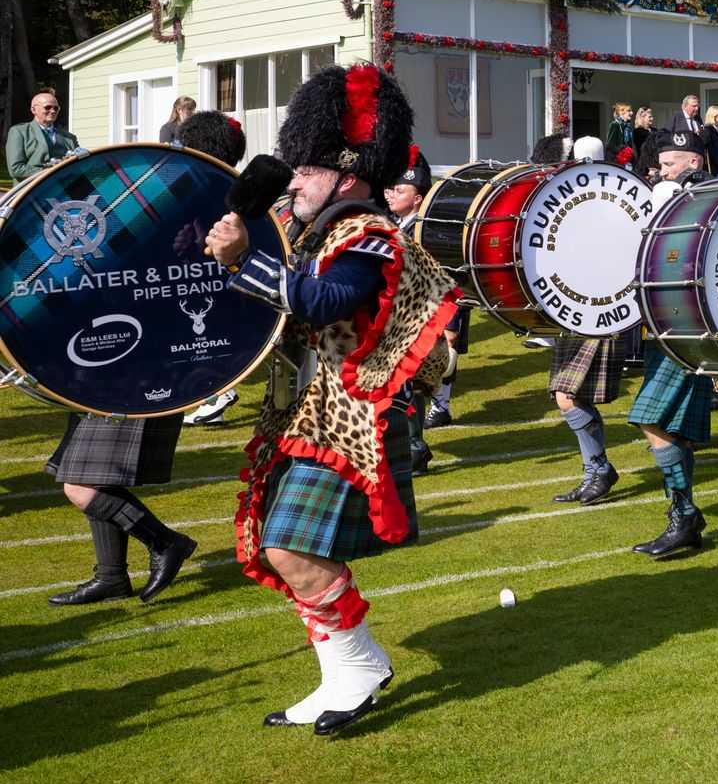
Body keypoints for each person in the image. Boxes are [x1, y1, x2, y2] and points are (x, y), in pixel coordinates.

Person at [205, 62, 459, 734]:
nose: (291, 179)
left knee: (291, 547)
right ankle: (338, 677)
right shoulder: (316, 229)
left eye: (305, 168)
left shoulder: (367, 232)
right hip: (310, 408)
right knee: (276, 546)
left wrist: (242, 262)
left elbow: (329, 301)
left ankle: (361, 666)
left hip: (353, 413)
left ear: (345, 171)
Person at [39, 111, 237, 603]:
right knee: (89, 474)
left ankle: (166, 542)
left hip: (138, 367)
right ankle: (111, 575)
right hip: (131, 361)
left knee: (80, 483)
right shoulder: (224, 212)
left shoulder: (181, 211)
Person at [623, 131, 718, 559]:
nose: (660, 173)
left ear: (694, 163)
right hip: (667, 327)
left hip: (690, 327)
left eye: (669, 165)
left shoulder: (710, 200)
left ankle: (685, 514)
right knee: (675, 429)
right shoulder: (673, 201)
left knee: (650, 419)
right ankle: (684, 519)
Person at [545, 135, 640, 505]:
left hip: (602, 308)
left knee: (568, 395)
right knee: (567, 394)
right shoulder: (572, 204)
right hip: (576, 307)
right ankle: (596, 470)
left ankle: (598, 470)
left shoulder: (614, 203)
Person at [383, 144, 460, 472]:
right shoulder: (395, 226)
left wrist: (451, 327)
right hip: (399, 322)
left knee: (409, 383)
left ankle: (415, 446)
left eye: (399, 189)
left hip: (423, 323)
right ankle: (414, 446)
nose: (390, 194)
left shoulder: (426, 231)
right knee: (403, 384)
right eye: (389, 188)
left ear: (418, 197)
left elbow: (446, 281)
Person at [179, 111, 250, 426]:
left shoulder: (213, 184)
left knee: (209, 335)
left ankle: (219, 392)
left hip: (215, 269)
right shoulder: (228, 181)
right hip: (211, 267)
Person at [7, 88, 80, 181]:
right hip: (31, 191)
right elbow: (16, 169)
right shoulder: (19, 132)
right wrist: (48, 171)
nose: (53, 111)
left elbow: (78, 167)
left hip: (64, 192)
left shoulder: (70, 138)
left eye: (56, 108)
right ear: (34, 110)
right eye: (47, 107)